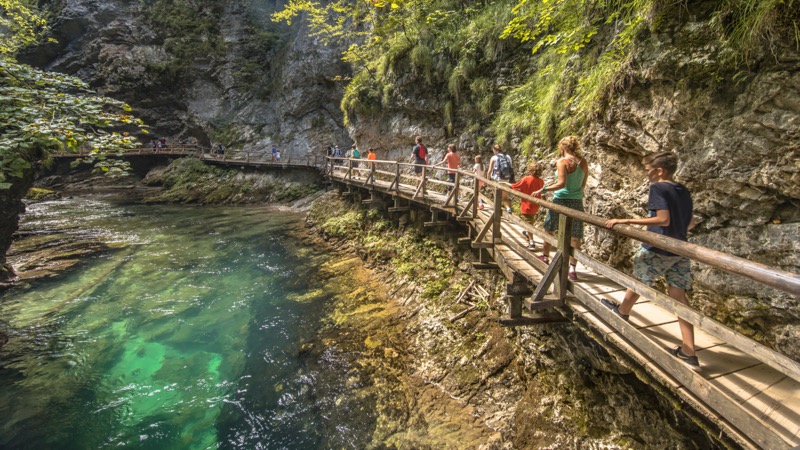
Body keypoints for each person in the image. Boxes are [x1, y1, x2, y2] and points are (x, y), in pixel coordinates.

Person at [604, 152, 698, 367]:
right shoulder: (683, 190)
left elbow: (663, 219)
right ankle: (689, 351)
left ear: (659, 171)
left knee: (639, 281)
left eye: (647, 169)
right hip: (680, 249)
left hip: (658, 246)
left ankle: (622, 312)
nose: (645, 173)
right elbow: (690, 223)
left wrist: (626, 220)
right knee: (679, 298)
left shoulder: (658, 188)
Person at [532, 135, 588, 281]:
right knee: (575, 235)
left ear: (562, 148)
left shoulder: (562, 161)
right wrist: (575, 192)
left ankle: (545, 257)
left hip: (561, 200)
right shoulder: (583, 162)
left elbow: (561, 184)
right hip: (576, 201)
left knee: (549, 228)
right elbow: (583, 184)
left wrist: (543, 190)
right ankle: (573, 270)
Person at [511, 161, 545, 248]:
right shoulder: (541, 181)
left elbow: (515, 186)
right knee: (530, 220)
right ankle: (527, 233)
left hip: (527, 204)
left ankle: (531, 241)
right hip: (536, 205)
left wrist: (507, 185)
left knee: (529, 223)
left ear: (530, 170)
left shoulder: (526, 179)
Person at [485, 144, 513, 213]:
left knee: (497, 197)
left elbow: (489, 170)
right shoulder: (507, 157)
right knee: (505, 198)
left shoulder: (494, 158)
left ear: (495, 150)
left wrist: (487, 181)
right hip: (506, 179)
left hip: (497, 180)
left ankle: (497, 212)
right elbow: (511, 167)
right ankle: (508, 209)